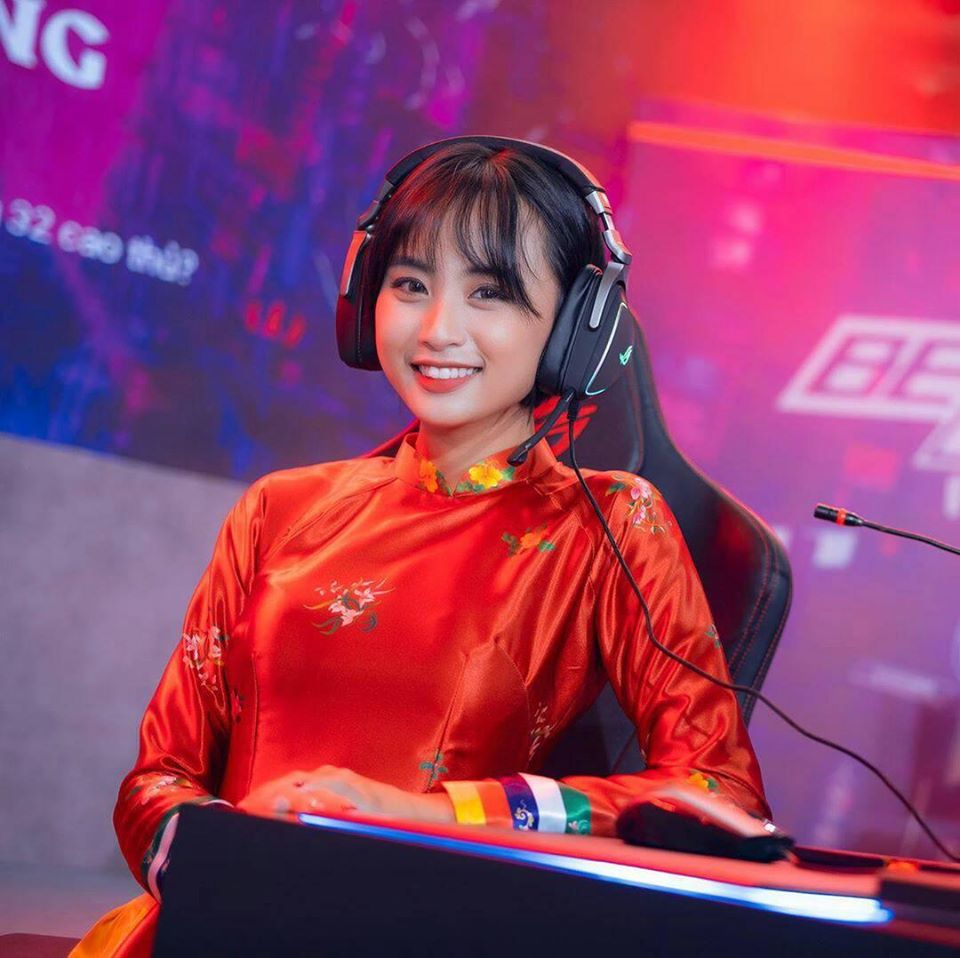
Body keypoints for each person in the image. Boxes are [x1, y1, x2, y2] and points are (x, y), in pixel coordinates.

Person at [73, 139, 769, 955]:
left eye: (490, 293)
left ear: (577, 327)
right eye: (410, 285)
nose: (438, 330)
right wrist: (234, 866)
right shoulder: (279, 509)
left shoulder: (609, 524)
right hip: (218, 923)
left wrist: (433, 814)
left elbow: (718, 796)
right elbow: (158, 779)